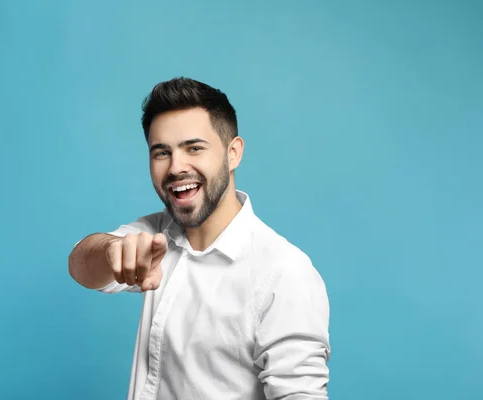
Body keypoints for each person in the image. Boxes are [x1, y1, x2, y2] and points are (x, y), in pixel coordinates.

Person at [68, 77, 331, 400]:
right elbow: (80, 266)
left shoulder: (283, 272)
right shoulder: (154, 235)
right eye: (161, 153)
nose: (176, 167)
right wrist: (111, 252)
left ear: (233, 153)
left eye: (194, 148)